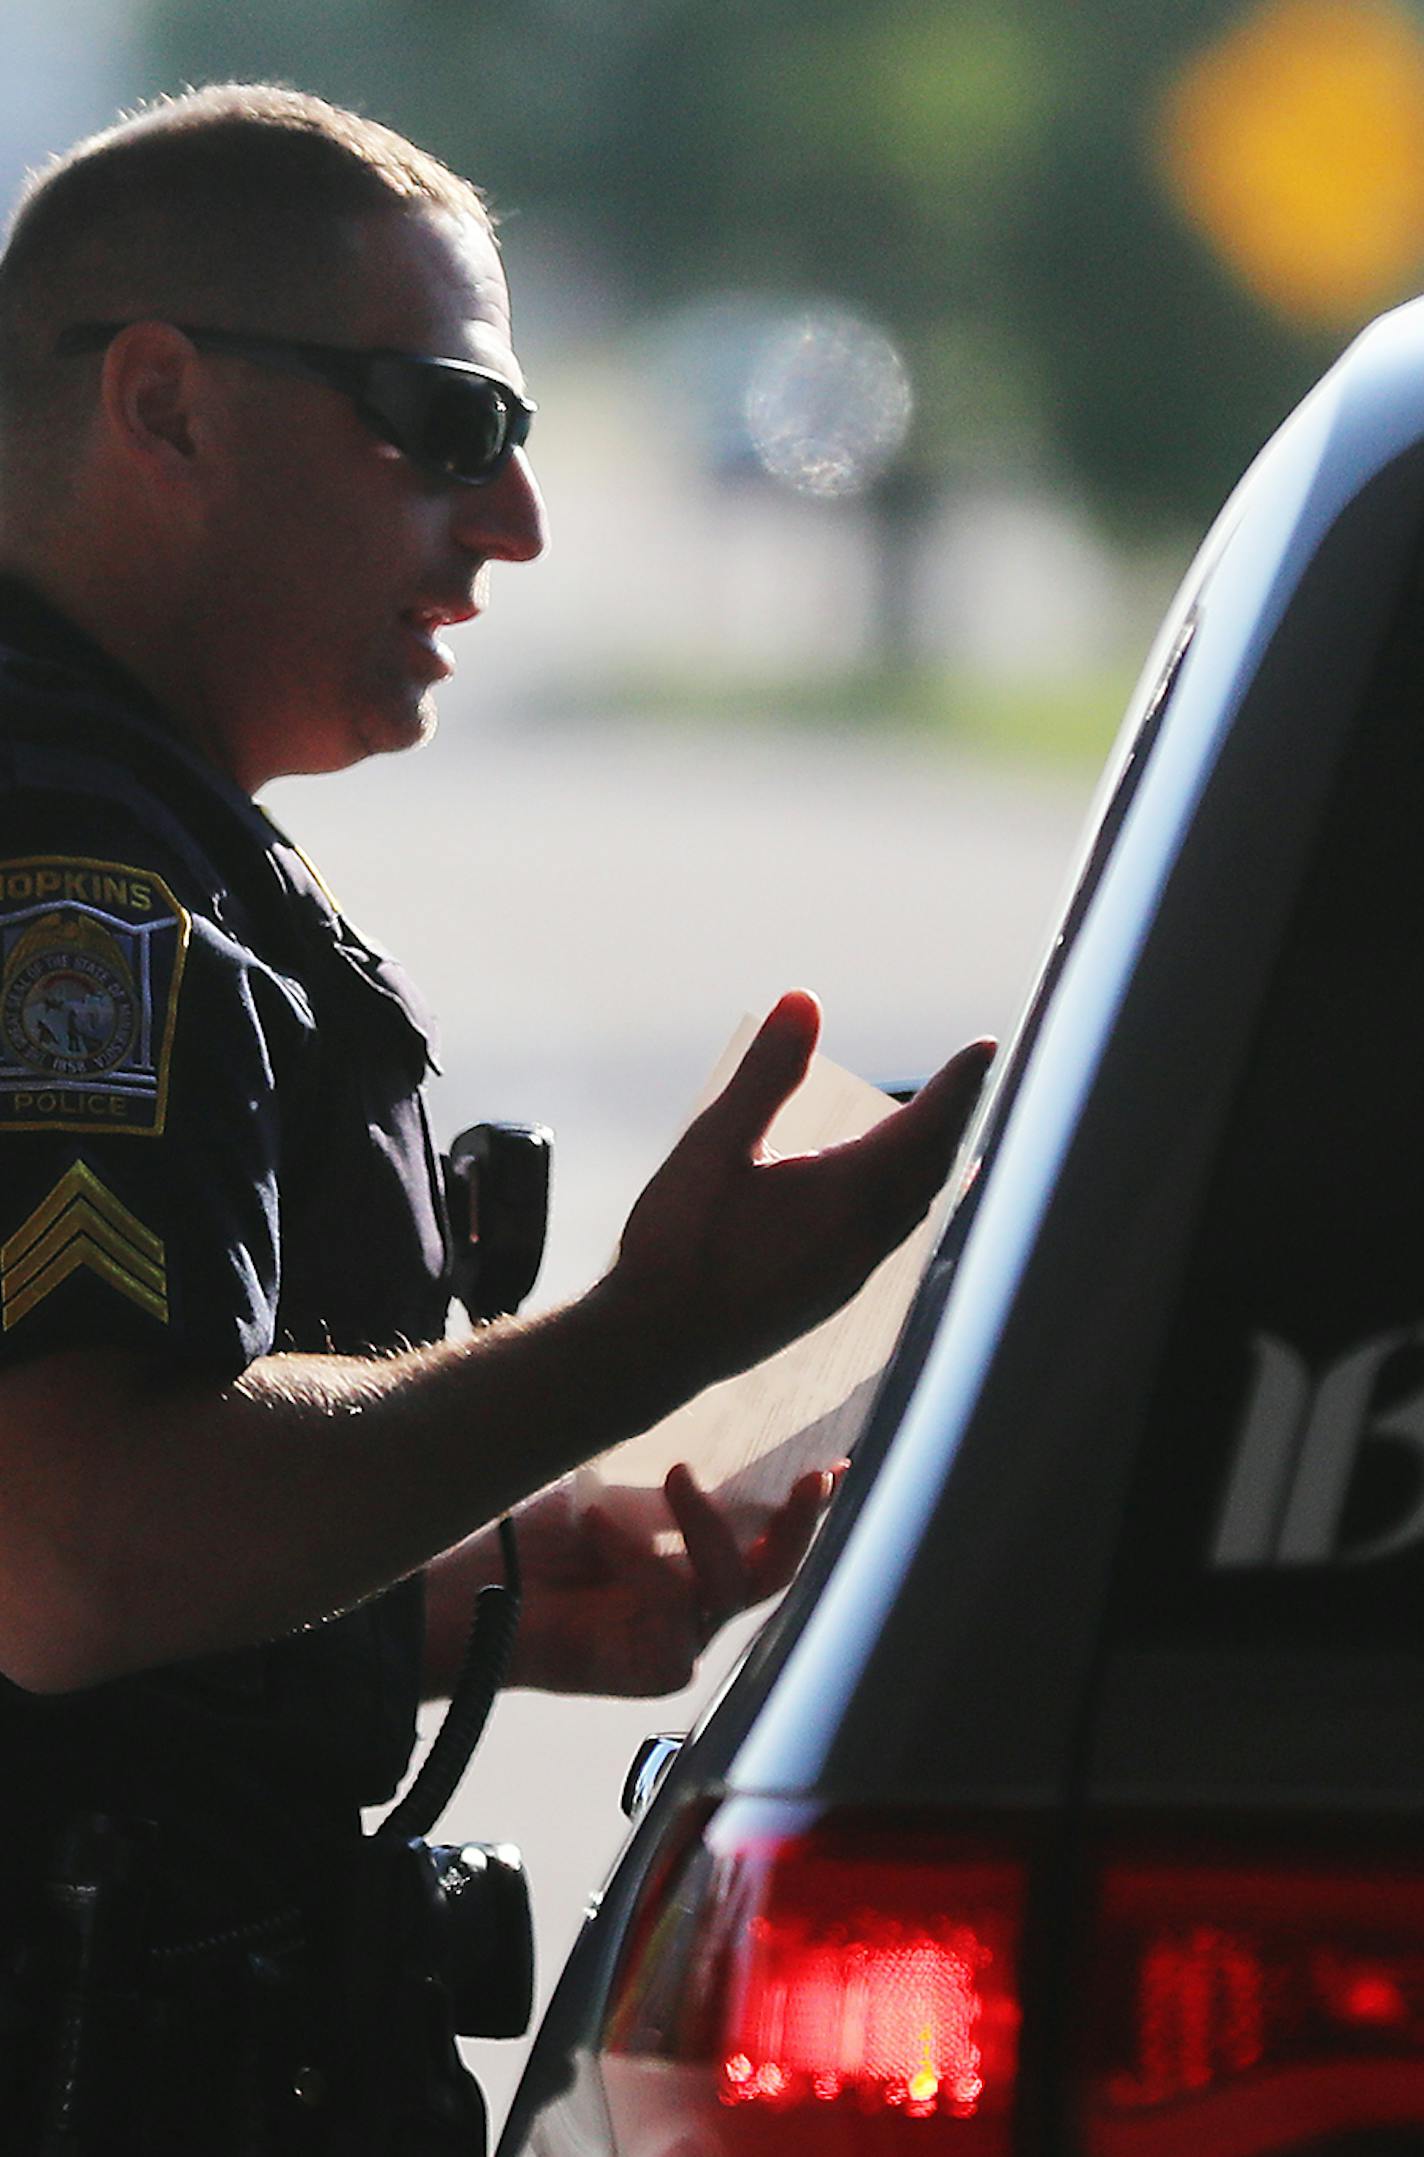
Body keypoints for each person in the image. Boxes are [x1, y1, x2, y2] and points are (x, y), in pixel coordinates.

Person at [0, 83, 992, 2152]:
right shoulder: (65, 878)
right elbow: (66, 1548)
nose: (519, 520)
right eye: (446, 421)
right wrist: (649, 1332)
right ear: (165, 404)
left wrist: (478, 1587)